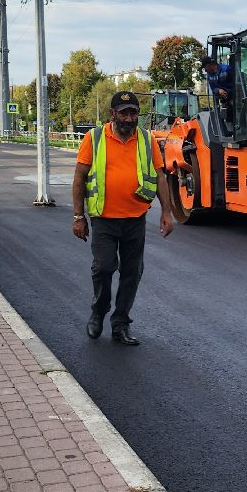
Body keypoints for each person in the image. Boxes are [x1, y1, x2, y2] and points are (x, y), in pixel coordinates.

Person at [71, 90, 174, 346]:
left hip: (135, 218)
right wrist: (78, 216)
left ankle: (120, 324)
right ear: (112, 114)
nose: (129, 118)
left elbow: (160, 176)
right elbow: (79, 178)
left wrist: (167, 211)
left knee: (132, 272)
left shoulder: (146, 139)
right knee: (104, 268)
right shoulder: (94, 138)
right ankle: (99, 311)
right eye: (124, 113)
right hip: (103, 219)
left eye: (133, 113)